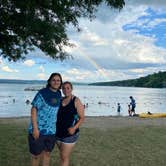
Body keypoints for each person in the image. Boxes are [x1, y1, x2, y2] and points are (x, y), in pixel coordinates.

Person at [28, 73, 62, 166]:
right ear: (50, 81)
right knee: (36, 156)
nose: (56, 82)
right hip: (38, 130)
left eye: (58, 80)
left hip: (51, 131)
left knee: (47, 154)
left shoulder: (59, 93)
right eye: (54, 80)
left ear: (60, 82)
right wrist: (35, 129)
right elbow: (34, 109)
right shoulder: (42, 93)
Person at [56, 81, 85, 166]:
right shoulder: (60, 100)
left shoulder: (76, 100)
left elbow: (82, 117)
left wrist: (74, 128)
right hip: (58, 133)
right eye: (63, 88)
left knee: (64, 157)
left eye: (68, 88)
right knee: (63, 156)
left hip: (70, 134)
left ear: (71, 89)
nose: (66, 90)